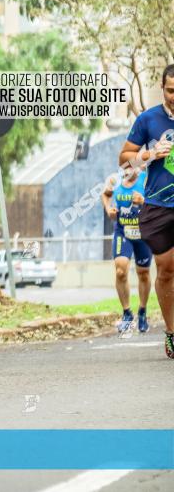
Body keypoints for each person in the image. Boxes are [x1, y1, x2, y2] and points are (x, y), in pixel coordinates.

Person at [118, 63, 174, 358]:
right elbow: (124, 160)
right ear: (163, 88)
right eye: (170, 90)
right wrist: (150, 154)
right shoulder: (148, 119)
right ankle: (171, 332)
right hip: (159, 207)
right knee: (166, 270)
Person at [101, 166, 151, 333]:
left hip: (143, 232)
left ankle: (142, 311)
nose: (130, 168)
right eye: (126, 165)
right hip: (123, 232)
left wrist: (143, 201)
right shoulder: (114, 180)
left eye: (133, 164)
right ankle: (127, 313)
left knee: (143, 273)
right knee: (121, 271)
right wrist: (109, 209)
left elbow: (159, 201)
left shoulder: (146, 178)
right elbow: (105, 194)